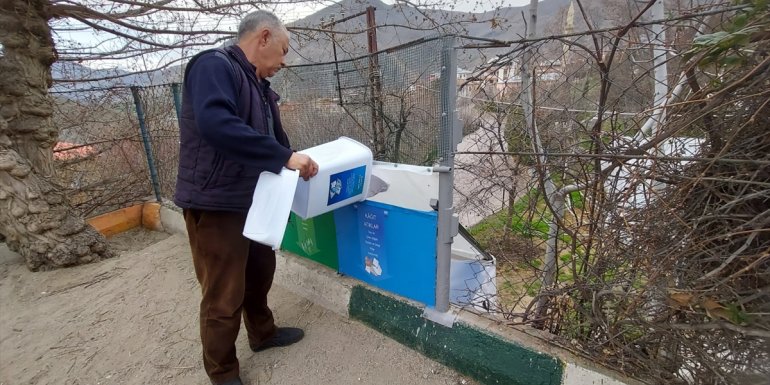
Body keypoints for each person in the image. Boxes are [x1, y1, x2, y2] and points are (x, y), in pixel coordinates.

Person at [174, 10, 318, 385]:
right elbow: (216, 124)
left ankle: (263, 333)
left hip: (254, 198)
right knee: (223, 293)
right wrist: (283, 157)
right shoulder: (213, 66)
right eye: (283, 50)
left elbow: (270, 140)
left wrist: (291, 162)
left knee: (259, 271)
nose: (284, 61)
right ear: (264, 37)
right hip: (217, 201)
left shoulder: (257, 85)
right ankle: (223, 374)